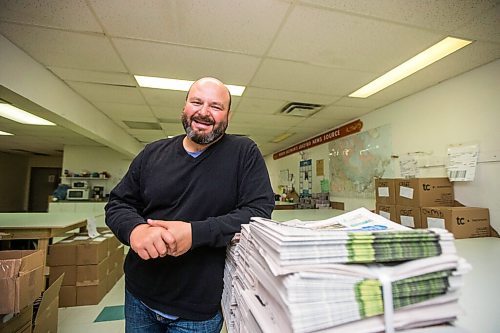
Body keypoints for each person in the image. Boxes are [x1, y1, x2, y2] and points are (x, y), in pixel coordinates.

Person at [105, 77, 275, 333]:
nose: (204, 112)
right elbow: (118, 203)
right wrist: (135, 230)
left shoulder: (243, 152)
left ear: (228, 115)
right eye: (197, 102)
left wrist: (194, 233)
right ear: (185, 107)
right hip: (140, 295)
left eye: (216, 106)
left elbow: (258, 212)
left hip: (199, 309)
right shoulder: (152, 153)